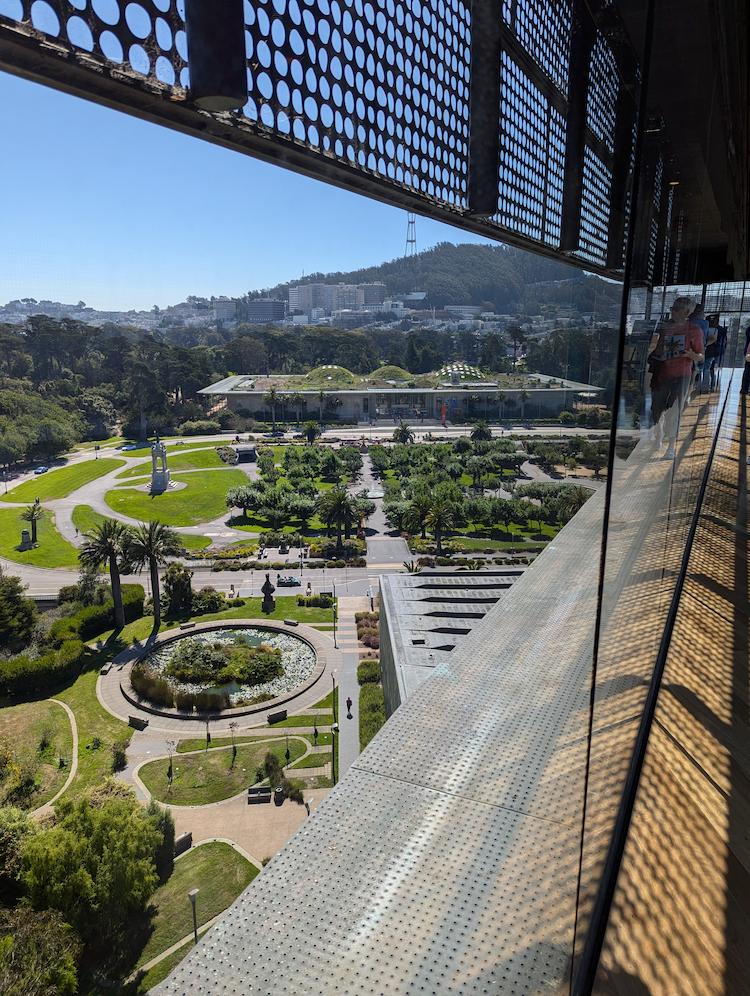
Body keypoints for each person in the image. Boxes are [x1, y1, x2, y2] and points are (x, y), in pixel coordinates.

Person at [650, 296, 704, 460]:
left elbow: (701, 356)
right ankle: (659, 436)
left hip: (682, 374)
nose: (673, 311)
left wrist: (692, 355)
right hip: (663, 373)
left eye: (676, 309)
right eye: (672, 308)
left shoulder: (694, 330)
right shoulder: (666, 328)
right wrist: (656, 348)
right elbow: (656, 350)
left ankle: (671, 447)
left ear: (686, 312)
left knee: (674, 411)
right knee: (657, 408)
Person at [705, 314, 727, 391]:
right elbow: (724, 341)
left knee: (709, 368)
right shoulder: (721, 329)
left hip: (711, 351)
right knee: (712, 368)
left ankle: (709, 385)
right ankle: (712, 385)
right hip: (716, 351)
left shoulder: (709, 329)